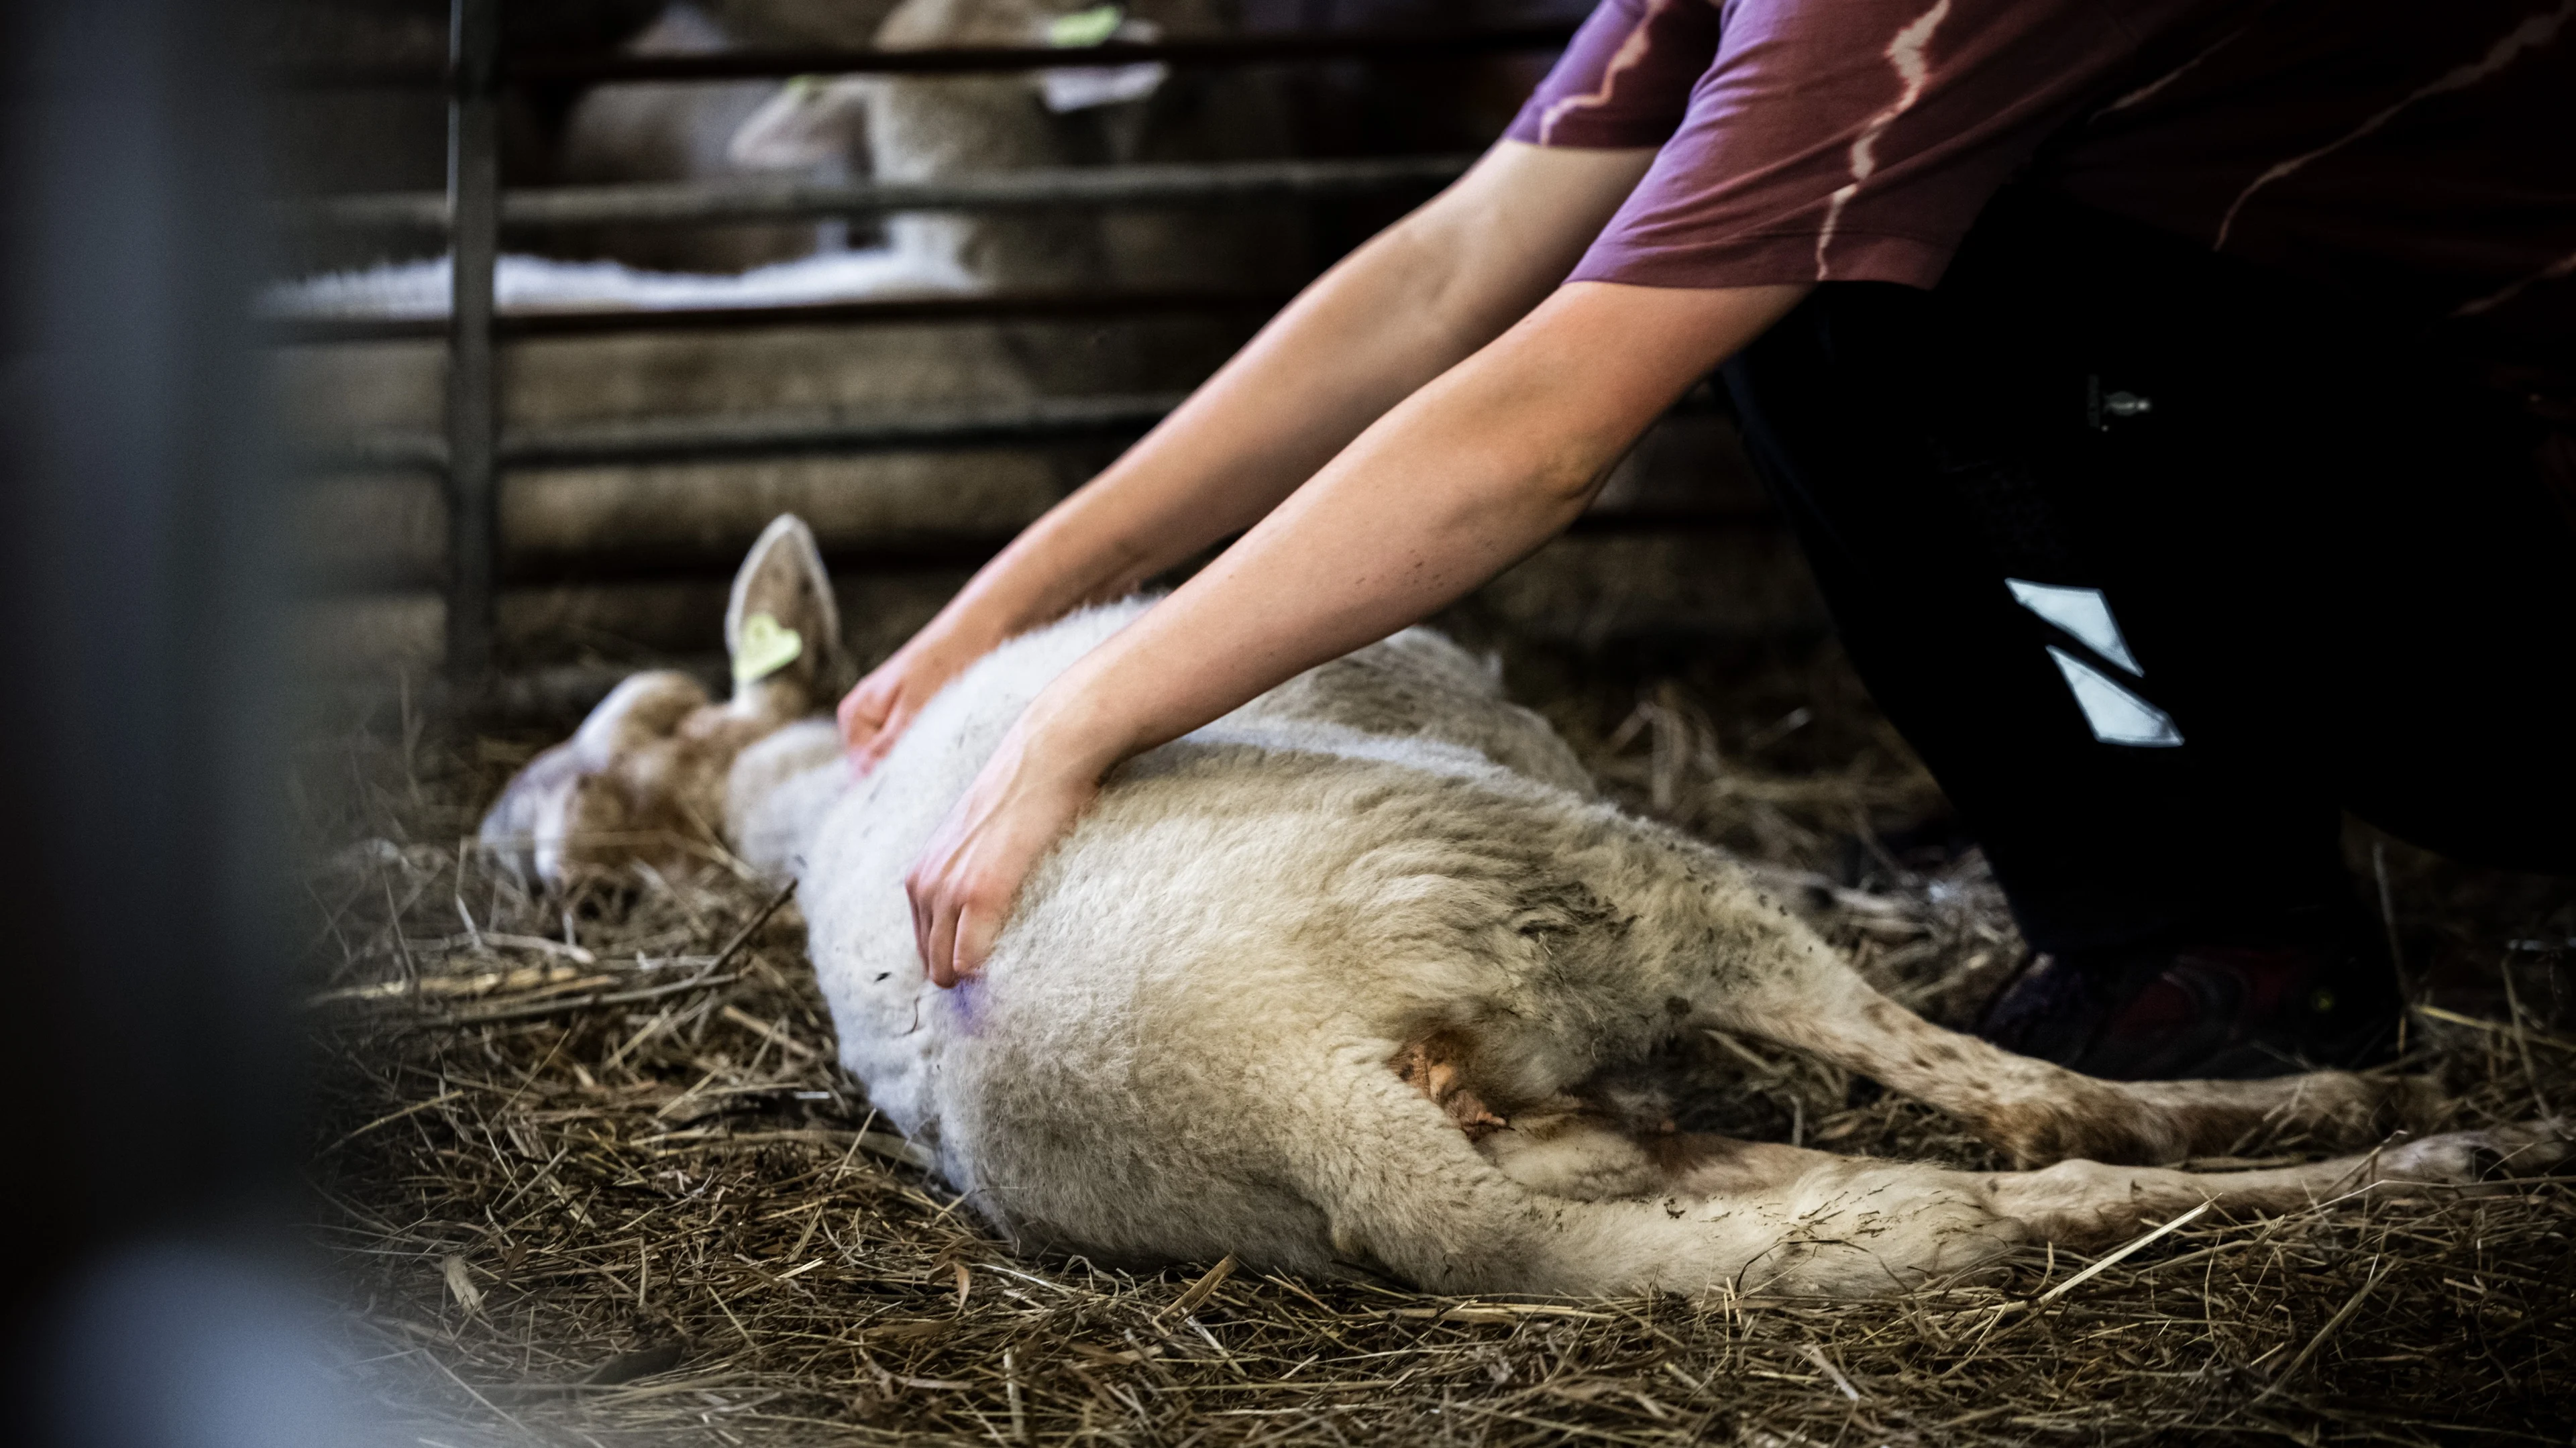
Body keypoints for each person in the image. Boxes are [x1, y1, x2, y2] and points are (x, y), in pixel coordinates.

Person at [839, 0, 2575, 1080]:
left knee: (1864, 311)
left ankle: (2231, 928)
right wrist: (1007, 609)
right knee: (1823, 298)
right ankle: (2166, 865)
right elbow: (1448, 272)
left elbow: (1541, 435)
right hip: (2382, 467)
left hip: (2517, 598)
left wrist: (1080, 717)